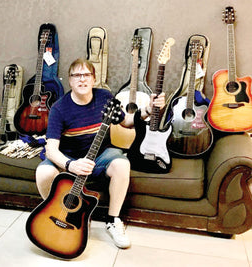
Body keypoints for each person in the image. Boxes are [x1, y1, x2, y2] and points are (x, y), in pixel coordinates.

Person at [35, 58, 165, 249]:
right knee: (43, 172)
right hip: (69, 159)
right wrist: (71, 165)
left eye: (86, 75)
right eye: (76, 75)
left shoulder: (104, 97)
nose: (82, 80)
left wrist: (148, 109)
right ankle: (54, 212)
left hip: (100, 155)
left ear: (94, 79)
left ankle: (113, 220)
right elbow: (51, 149)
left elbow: (126, 122)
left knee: (122, 164)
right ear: (70, 81)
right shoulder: (59, 109)